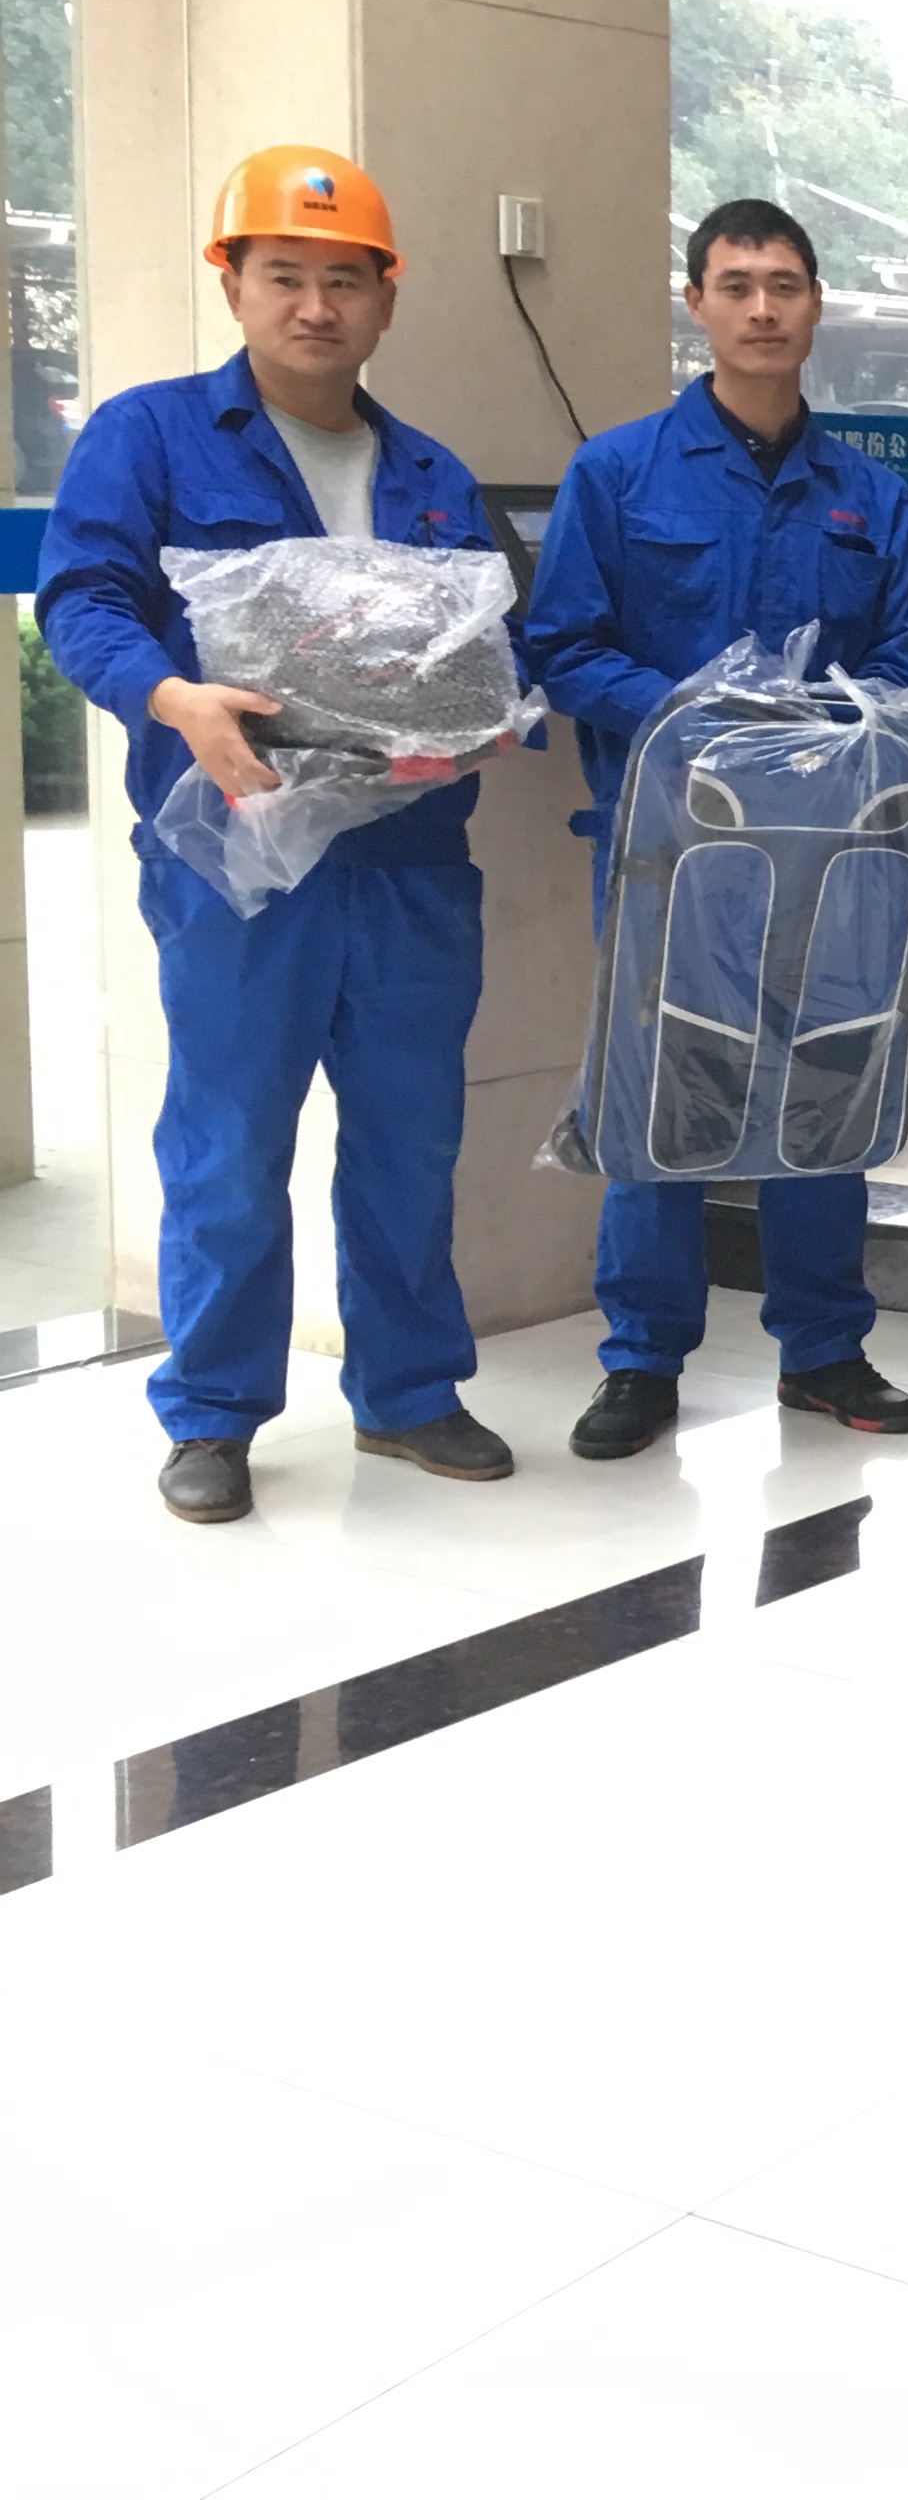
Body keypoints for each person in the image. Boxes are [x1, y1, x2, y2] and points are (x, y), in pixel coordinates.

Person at [39, 146, 516, 1523]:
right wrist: (173, 698)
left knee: (410, 1143)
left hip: (410, 864)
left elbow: (479, 648)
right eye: (287, 276)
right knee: (231, 1145)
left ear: (386, 299)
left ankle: (408, 1393)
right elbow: (82, 601)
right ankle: (213, 1411)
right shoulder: (150, 437)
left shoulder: (430, 472)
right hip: (238, 863)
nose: (317, 306)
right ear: (234, 284)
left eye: (345, 281)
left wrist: (488, 714)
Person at [524, 198, 908, 1459]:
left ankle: (825, 1348)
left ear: (816, 306)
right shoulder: (620, 474)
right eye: (738, 284)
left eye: (785, 286)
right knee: (661, 1091)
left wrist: (823, 732)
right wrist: (699, 717)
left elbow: (905, 668)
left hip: (830, 860)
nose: (763, 308)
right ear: (695, 301)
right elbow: (563, 646)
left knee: (825, 1082)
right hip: (671, 851)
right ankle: (642, 1359)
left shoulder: (868, 496)